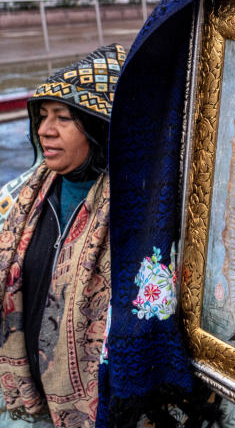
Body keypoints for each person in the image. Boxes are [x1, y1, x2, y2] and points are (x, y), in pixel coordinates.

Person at [0, 44, 125, 428]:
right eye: (41, 116)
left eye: (62, 118)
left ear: (98, 124)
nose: (44, 130)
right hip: (30, 402)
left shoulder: (133, 212)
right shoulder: (23, 198)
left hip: (102, 411)